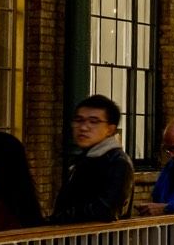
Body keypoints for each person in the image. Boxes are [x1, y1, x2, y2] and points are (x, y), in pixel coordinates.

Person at [51, 94, 136, 224]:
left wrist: (59, 219)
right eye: (79, 120)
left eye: (94, 121)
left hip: (99, 241)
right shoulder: (82, 159)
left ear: (110, 129)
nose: (84, 127)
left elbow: (106, 209)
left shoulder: (117, 162)